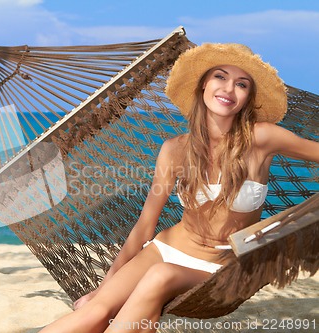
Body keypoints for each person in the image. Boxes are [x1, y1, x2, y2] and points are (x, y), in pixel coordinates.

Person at [39, 43, 319, 333]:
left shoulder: (261, 139)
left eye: (241, 84)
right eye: (220, 77)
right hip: (165, 248)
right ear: (202, 87)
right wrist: (104, 287)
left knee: (159, 277)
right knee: (95, 312)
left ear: (248, 98)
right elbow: (146, 224)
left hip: (220, 267)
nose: (228, 89)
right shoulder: (174, 150)